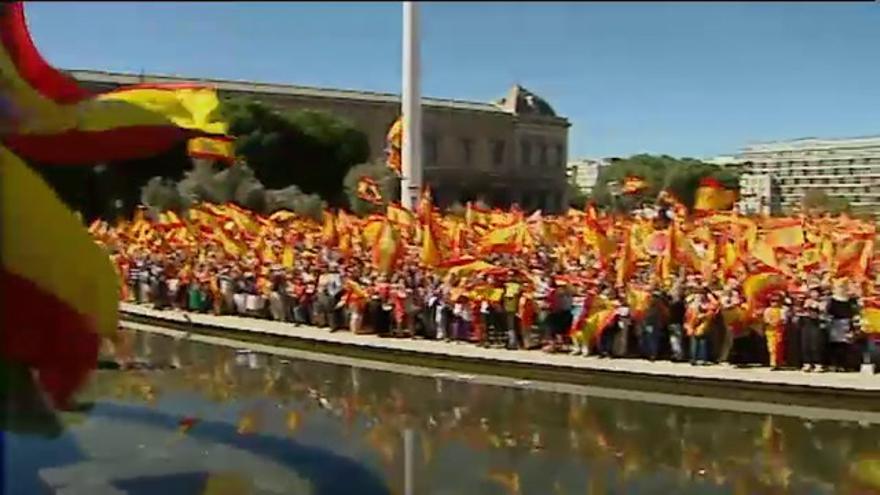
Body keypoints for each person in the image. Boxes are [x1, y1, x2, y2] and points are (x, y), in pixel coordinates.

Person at [762, 296, 787, 370]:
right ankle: (773, 363)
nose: (774, 303)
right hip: (770, 331)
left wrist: (778, 323)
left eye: (776, 301)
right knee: (772, 348)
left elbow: (783, 320)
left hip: (779, 331)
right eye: (772, 301)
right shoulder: (767, 310)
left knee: (779, 347)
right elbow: (766, 320)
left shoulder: (782, 310)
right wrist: (770, 322)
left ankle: (779, 362)